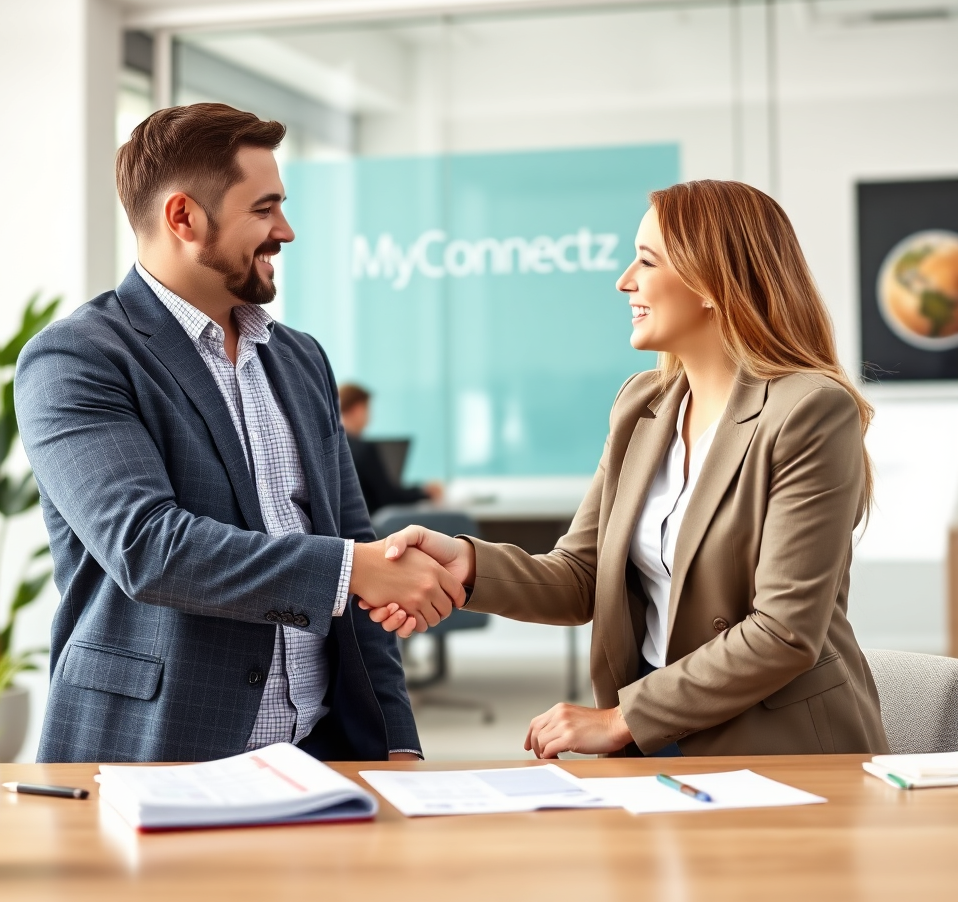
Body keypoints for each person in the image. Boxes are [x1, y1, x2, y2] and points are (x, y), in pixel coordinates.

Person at [363, 180, 888, 759]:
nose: (624, 281)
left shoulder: (808, 410)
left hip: (777, 745)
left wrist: (619, 719)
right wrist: (465, 565)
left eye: (646, 260)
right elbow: (582, 576)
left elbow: (784, 631)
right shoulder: (643, 405)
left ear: (711, 282)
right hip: (655, 737)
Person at [15, 103, 464, 764]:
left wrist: (396, 739)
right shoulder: (78, 358)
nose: (285, 229)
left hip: (321, 754)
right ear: (183, 217)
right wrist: (348, 570)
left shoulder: (299, 357)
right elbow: (148, 547)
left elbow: (355, 540)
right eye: (264, 208)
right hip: (156, 756)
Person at [339, 383, 444, 515]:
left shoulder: (332, 448)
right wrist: (424, 492)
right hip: (372, 526)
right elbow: (388, 497)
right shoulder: (363, 449)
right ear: (358, 409)